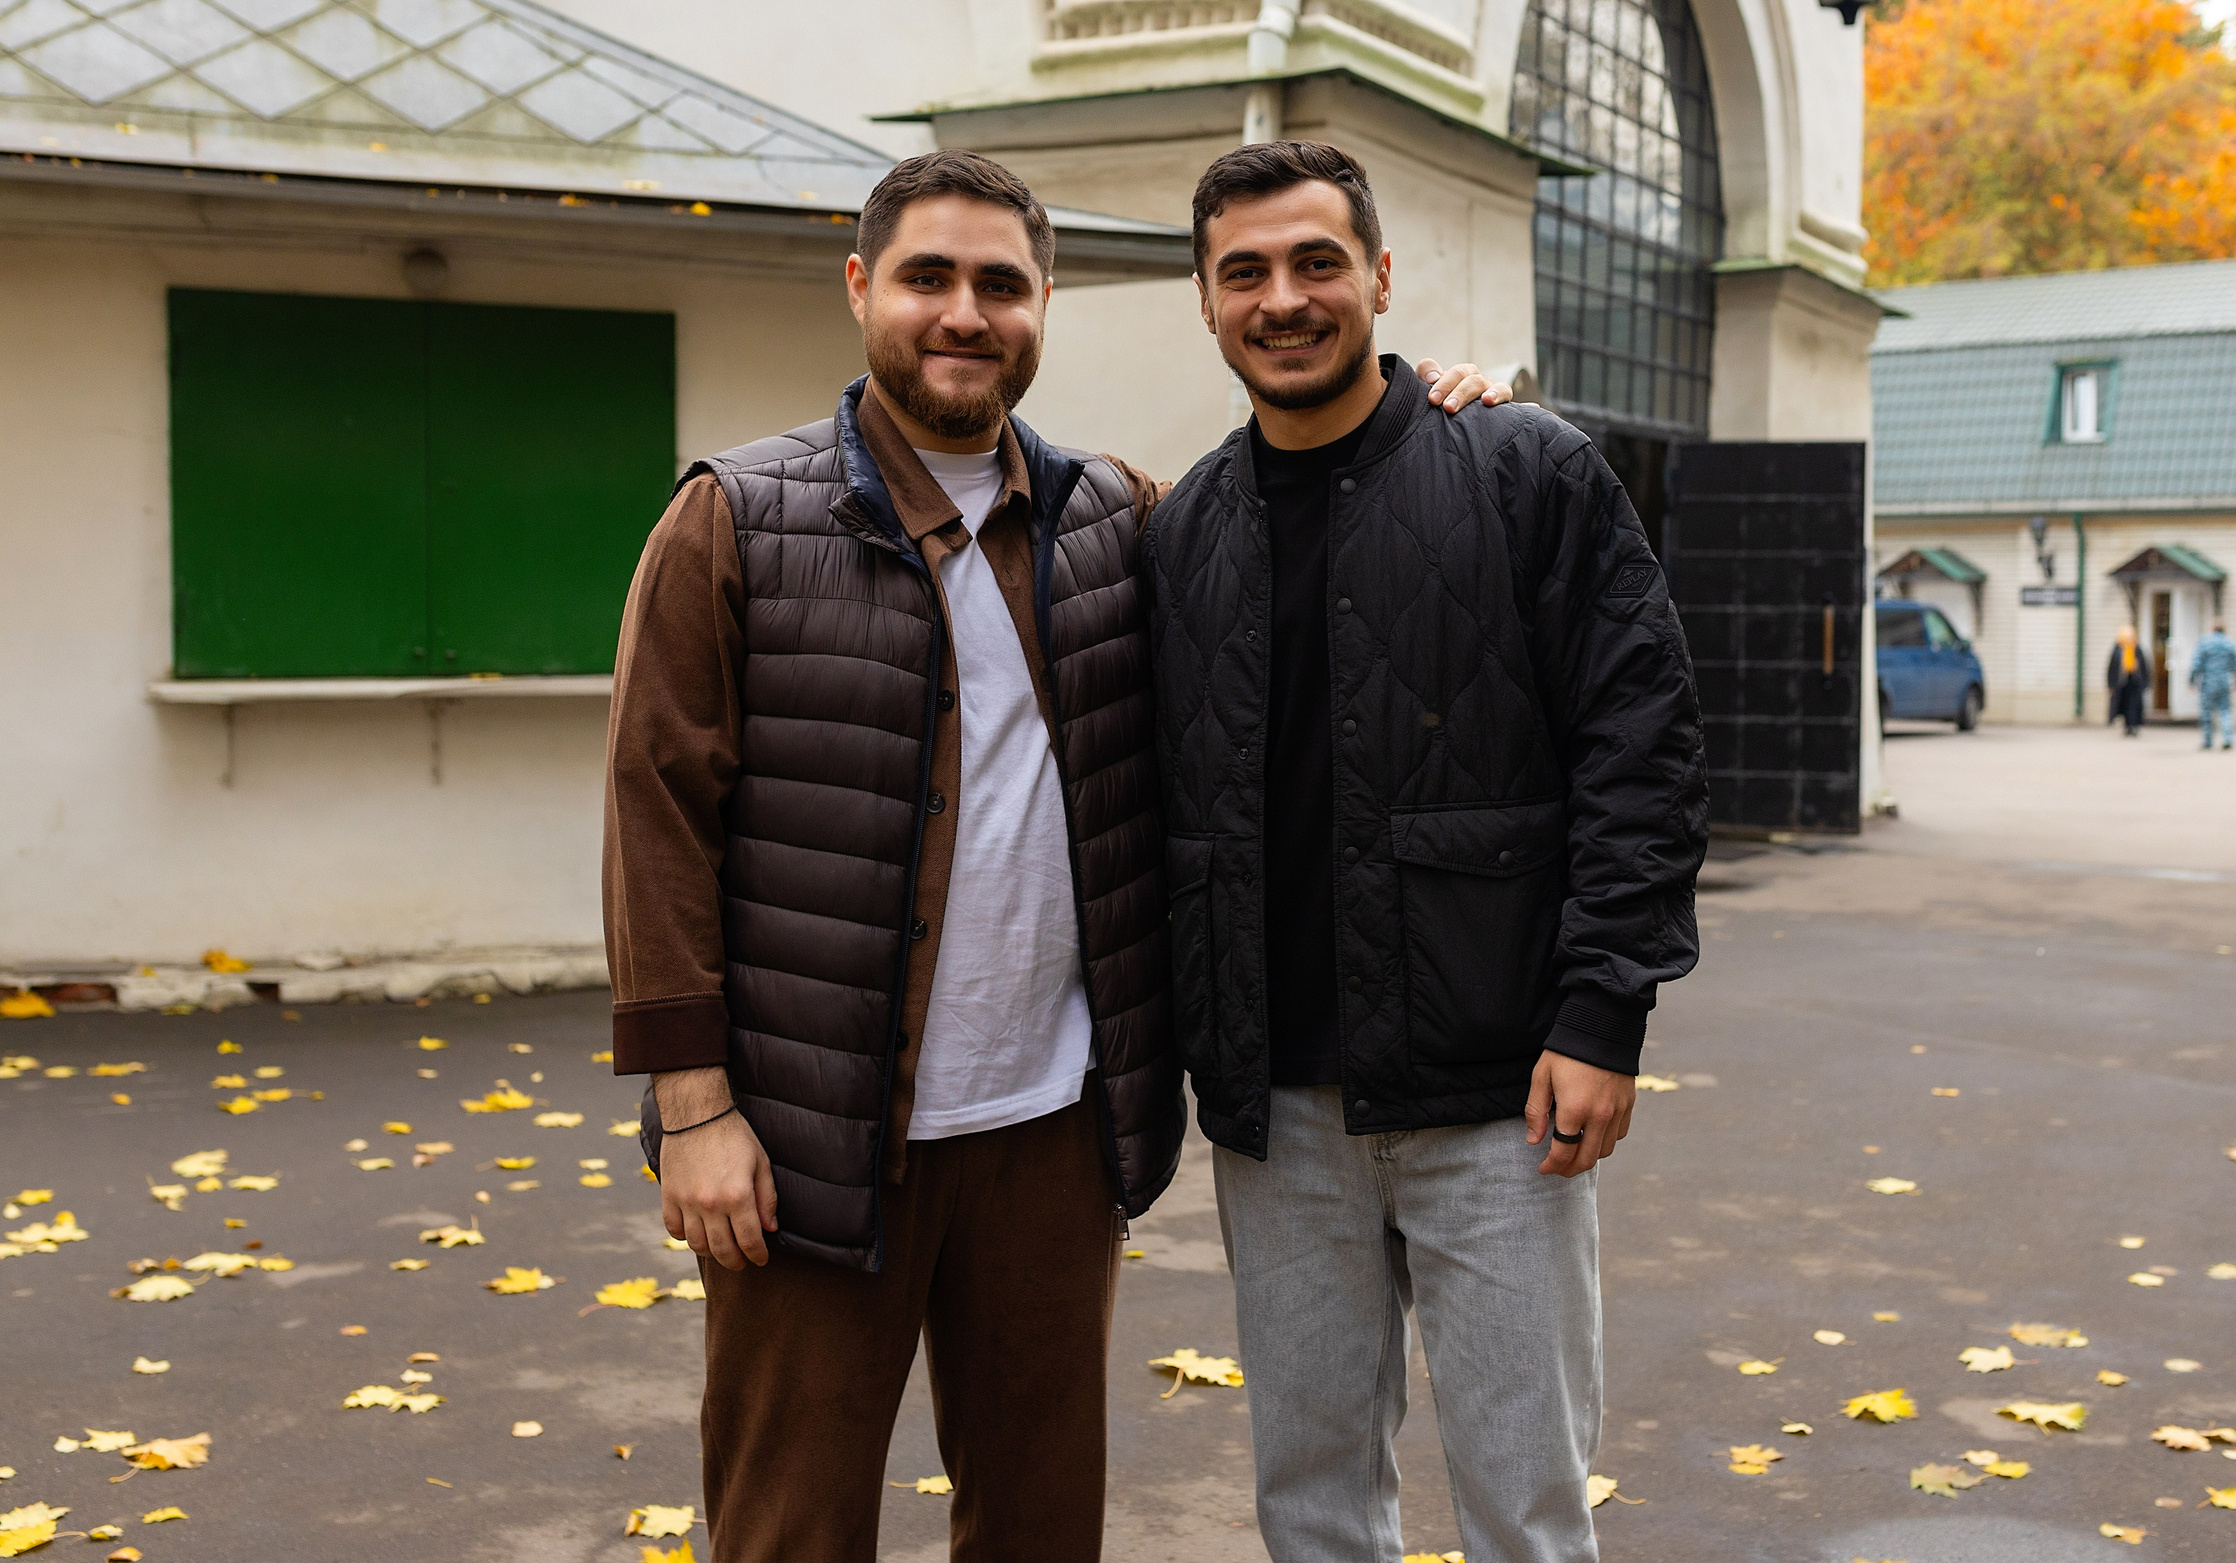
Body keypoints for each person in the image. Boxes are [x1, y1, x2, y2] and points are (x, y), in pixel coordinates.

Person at [602, 147, 1509, 1563]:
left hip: (1050, 1135)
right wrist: (694, 1101)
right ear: (861, 290)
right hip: (811, 1134)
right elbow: (655, 811)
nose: (964, 313)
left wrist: (1443, 403)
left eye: (1001, 285)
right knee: (790, 1526)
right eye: (927, 278)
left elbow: (1318, 482)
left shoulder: (1114, 520)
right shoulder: (735, 518)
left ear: (1044, 305)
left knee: (1038, 1530)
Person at [1143, 140, 1709, 1563]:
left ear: (1381, 277)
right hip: (1279, 1117)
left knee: (1527, 1499)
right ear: (1206, 304)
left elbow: (1639, 748)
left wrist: (1603, 1011)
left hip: (1499, 1102)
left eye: (1318, 261)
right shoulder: (1181, 532)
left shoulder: (1524, 469)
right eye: (1246, 272)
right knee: (1313, 1498)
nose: (1285, 297)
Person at [2190, 620, 2236, 750]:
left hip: (2208, 681)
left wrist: (2191, 680)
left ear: (2212, 629)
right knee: (2225, 710)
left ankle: (2208, 741)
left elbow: (2196, 663)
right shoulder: (2230, 643)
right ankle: (2228, 739)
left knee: (2207, 712)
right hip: (2224, 681)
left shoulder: (2205, 643)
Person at [2105, 625, 2151, 737]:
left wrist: (2145, 682)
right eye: (2126, 636)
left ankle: (2134, 726)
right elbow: (2111, 669)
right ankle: (2127, 726)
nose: (2128, 639)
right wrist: (2110, 685)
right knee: (2124, 705)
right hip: (2122, 683)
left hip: (2134, 682)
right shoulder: (2117, 650)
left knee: (2134, 706)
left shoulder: (2137, 649)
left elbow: (2145, 667)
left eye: (2130, 636)